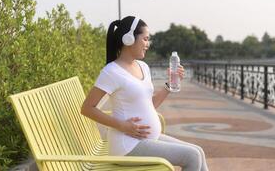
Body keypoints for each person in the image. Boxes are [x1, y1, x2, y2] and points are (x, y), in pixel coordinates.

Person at [81, 16, 209, 171]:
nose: (148, 44)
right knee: (191, 156)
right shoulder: (111, 72)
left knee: (198, 151)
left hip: (146, 139)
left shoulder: (143, 67)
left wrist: (170, 84)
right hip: (127, 146)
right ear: (129, 39)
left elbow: (150, 105)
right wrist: (123, 126)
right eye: (145, 39)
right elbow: (87, 108)